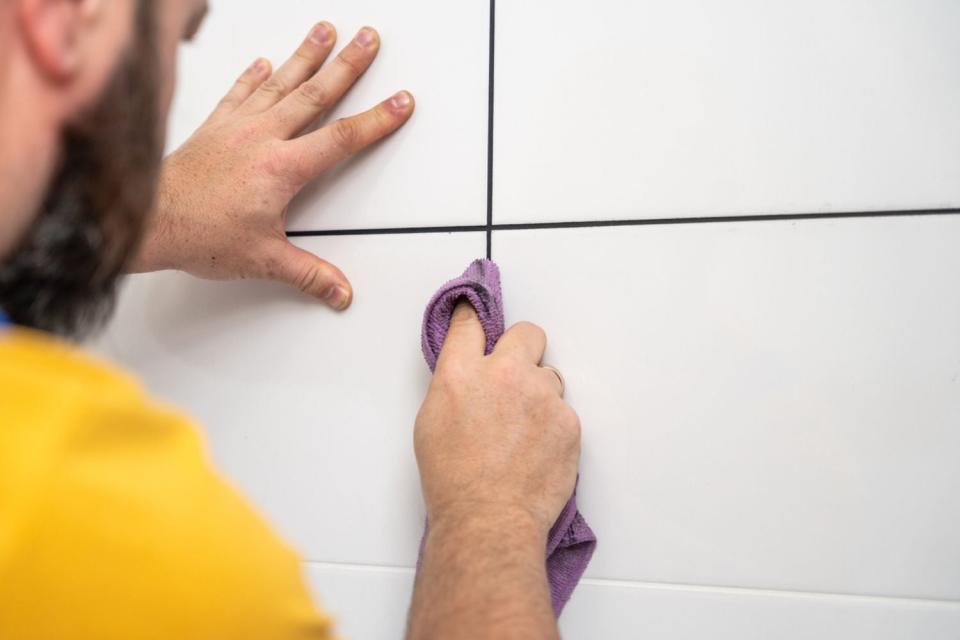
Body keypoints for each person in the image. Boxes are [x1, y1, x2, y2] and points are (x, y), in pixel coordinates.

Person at [0, 2, 582, 638]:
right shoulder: (127, 551)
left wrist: (143, 213)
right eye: (179, 38)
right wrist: (488, 513)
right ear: (60, 20)